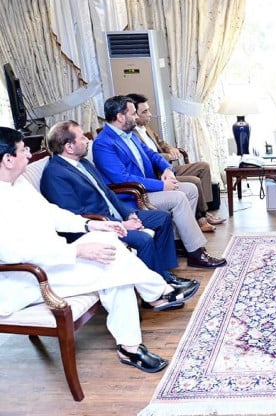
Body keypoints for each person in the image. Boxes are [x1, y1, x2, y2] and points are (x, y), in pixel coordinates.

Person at [0, 127, 199, 373]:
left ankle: (137, 333)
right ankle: (156, 297)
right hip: (30, 278)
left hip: (55, 258)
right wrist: (78, 253)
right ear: (8, 159)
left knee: (109, 245)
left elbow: (52, 214)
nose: (29, 155)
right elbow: (14, 254)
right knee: (116, 272)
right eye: (24, 150)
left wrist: (90, 224)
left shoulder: (18, 184)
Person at [40, 120, 199, 293]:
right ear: (69, 147)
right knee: (143, 239)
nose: (87, 141)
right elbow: (76, 216)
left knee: (162, 218)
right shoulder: (55, 174)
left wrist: (129, 214)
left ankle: (163, 275)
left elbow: (108, 193)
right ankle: (154, 292)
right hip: (97, 227)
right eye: (82, 138)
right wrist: (120, 225)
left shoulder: (83, 163)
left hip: (114, 215)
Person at [92, 95, 226, 269]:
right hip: (131, 197)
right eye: (133, 113)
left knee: (191, 189)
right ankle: (196, 253)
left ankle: (180, 243)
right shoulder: (103, 143)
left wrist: (167, 170)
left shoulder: (130, 135)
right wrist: (162, 185)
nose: (136, 117)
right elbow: (122, 178)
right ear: (120, 117)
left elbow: (153, 155)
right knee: (177, 197)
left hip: (146, 189)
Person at [128, 93, 225, 232]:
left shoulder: (146, 128)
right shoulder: (131, 135)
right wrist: (167, 156)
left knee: (203, 166)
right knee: (194, 182)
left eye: (148, 110)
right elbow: (148, 158)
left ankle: (205, 209)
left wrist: (171, 149)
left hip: (166, 169)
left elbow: (161, 143)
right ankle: (200, 217)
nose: (150, 114)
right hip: (157, 174)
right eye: (145, 111)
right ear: (134, 114)